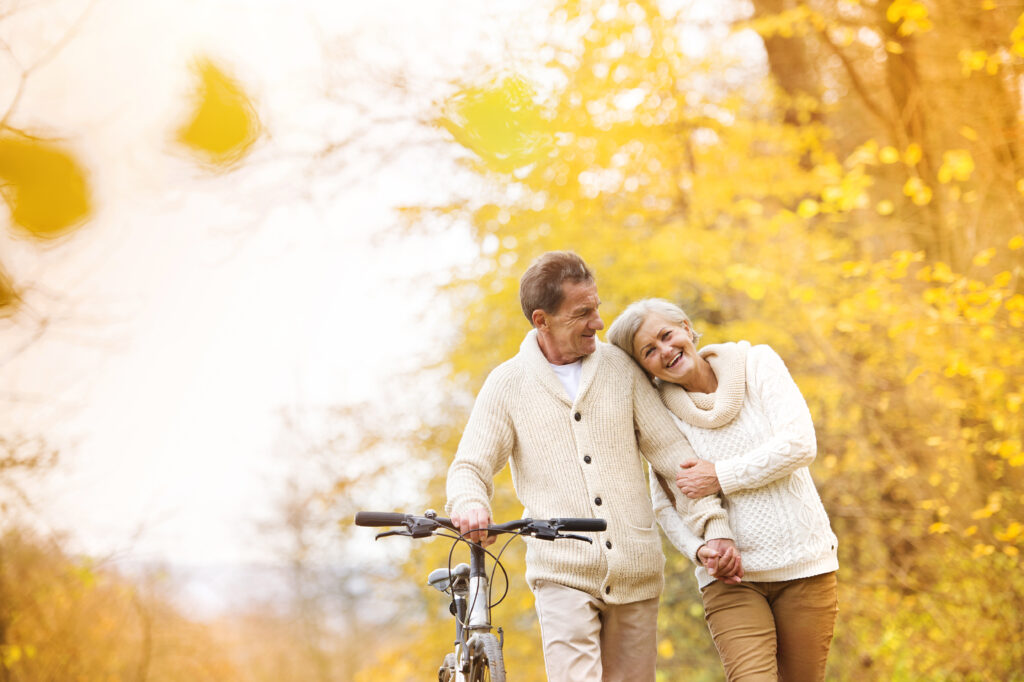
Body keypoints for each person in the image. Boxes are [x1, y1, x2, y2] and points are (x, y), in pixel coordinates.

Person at [446, 252, 736, 682]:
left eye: (596, 307)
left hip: (635, 571)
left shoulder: (622, 369)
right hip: (562, 572)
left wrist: (713, 526)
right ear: (541, 320)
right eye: (583, 313)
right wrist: (471, 504)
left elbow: (675, 458)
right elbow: (470, 465)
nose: (598, 322)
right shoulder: (508, 385)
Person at [607, 298, 839, 682]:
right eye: (649, 351)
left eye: (667, 335)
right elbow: (665, 503)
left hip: (805, 566)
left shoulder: (756, 364)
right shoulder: (660, 414)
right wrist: (699, 550)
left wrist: (721, 476)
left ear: (685, 326)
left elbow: (799, 445)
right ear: (644, 366)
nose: (665, 351)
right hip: (732, 582)